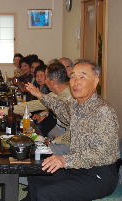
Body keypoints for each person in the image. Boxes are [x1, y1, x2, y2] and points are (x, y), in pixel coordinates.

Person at [24, 59, 120, 201]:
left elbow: (99, 153)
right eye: (73, 76)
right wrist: (40, 95)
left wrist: (64, 160)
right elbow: (62, 109)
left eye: (82, 77)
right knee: (36, 174)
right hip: (78, 168)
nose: (76, 81)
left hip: (99, 175)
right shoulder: (77, 105)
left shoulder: (102, 111)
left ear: (95, 81)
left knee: (46, 194)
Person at [0, 62, 73, 155]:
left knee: (35, 154)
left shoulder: (73, 97)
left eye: (45, 77)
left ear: (52, 82)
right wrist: (4, 111)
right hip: (55, 133)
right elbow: (35, 105)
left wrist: (54, 140)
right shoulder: (55, 93)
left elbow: (75, 133)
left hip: (67, 141)